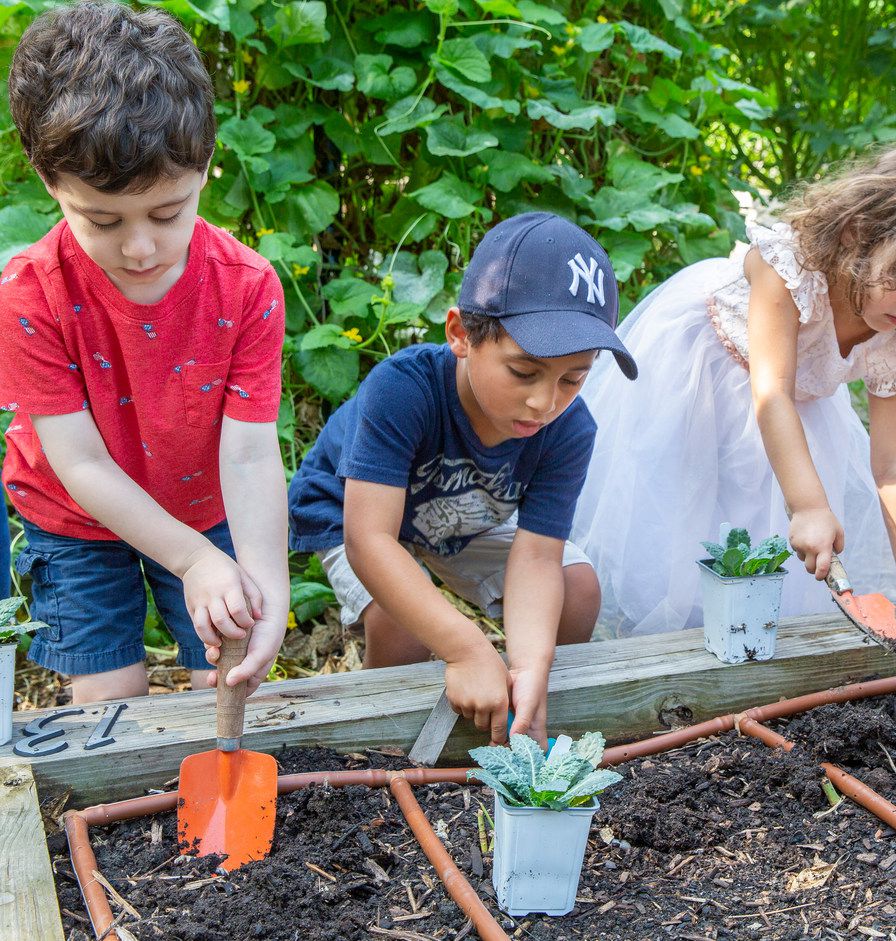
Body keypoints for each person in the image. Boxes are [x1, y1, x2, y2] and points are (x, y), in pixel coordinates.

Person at [572, 137, 896, 637]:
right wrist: (809, 505)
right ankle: (671, 637)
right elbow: (771, 391)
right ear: (856, 234)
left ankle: (743, 635)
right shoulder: (790, 268)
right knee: (686, 509)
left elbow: (894, 464)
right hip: (704, 380)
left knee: (762, 525)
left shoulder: (895, 338)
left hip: (792, 412)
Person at [0, 2, 288, 703]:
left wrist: (264, 583)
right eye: (102, 220)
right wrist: (192, 561)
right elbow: (81, 463)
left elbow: (249, 453)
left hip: (203, 499)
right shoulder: (28, 295)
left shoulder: (247, 287)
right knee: (110, 698)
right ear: (50, 183)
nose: (140, 247)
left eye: (168, 213)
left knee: (225, 678)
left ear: (206, 168)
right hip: (74, 515)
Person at [288, 212, 637, 744]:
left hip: (459, 514)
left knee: (577, 586)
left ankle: (527, 714)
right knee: (400, 618)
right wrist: (467, 647)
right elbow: (370, 540)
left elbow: (538, 556)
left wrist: (531, 666)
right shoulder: (402, 389)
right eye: (523, 372)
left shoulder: (568, 428)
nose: (544, 402)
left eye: (573, 378)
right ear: (460, 335)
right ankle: (382, 741)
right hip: (356, 512)